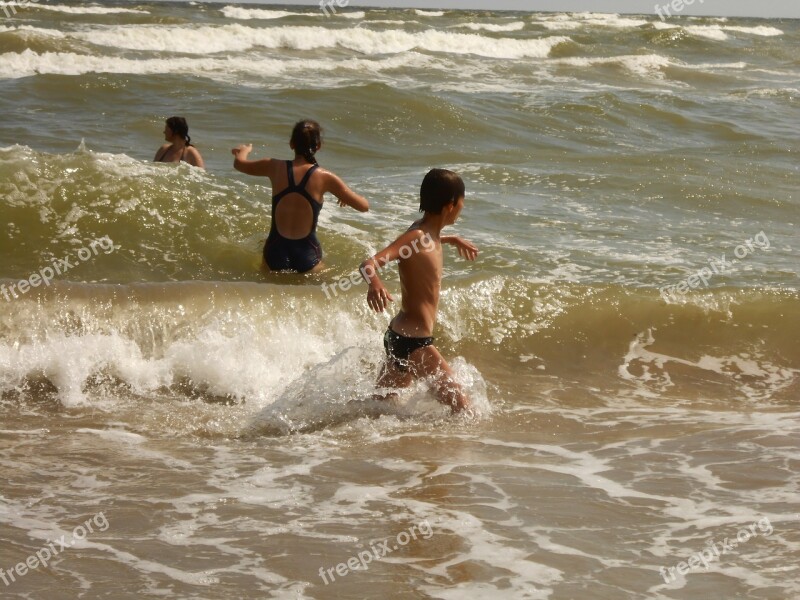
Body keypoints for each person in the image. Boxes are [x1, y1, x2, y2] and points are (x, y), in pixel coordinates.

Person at [359, 168, 478, 414]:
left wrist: (452, 238)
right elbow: (368, 264)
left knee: (379, 408)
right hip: (415, 344)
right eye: (462, 202)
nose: (463, 207)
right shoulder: (416, 236)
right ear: (450, 205)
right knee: (464, 410)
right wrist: (376, 284)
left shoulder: (427, 232)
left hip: (398, 337)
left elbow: (429, 239)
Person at [232, 120, 369, 273]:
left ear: (292, 144)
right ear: (318, 146)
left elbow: (239, 164)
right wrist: (347, 196)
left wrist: (244, 150)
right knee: (316, 293)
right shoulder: (325, 177)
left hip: (275, 249)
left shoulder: (274, 166)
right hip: (307, 251)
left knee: (269, 292)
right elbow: (364, 206)